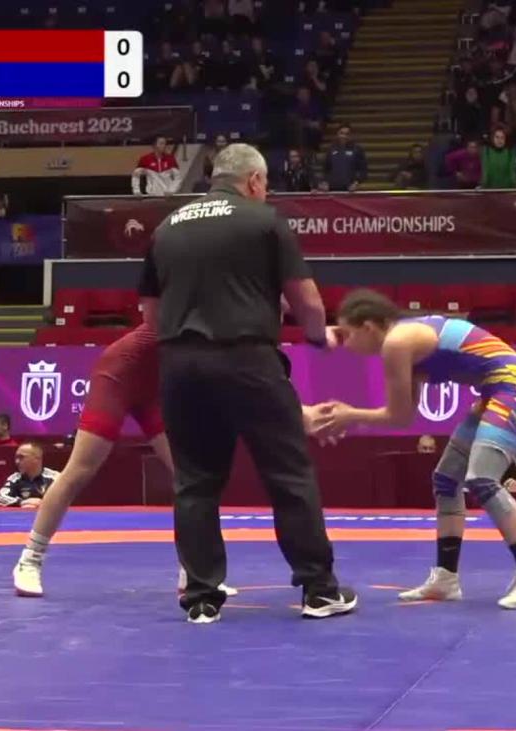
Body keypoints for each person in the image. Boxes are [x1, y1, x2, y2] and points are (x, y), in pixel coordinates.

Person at [138, 143, 357, 624]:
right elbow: (307, 300)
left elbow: (150, 313)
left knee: (194, 482)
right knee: (288, 474)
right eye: (266, 184)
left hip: (180, 365)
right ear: (254, 180)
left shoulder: (167, 226)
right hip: (246, 360)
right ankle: (319, 590)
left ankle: (200, 597)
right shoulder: (264, 221)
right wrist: (317, 336)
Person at [313, 289, 516, 610]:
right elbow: (403, 418)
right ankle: (445, 578)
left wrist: (350, 415)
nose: (346, 344)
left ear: (368, 327)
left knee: (482, 479)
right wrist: (350, 414)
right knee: (446, 480)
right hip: (496, 390)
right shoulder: (405, 339)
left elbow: (396, 415)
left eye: (348, 335)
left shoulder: (397, 343)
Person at [11, 323, 254, 599]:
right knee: (80, 469)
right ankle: (30, 560)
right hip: (120, 374)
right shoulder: (204, 308)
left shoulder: (227, 318)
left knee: (192, 476)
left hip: (158, 383)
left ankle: (195, 572)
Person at [0, 443, 60, 509]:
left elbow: (64, 499)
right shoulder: (15, 478)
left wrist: (43, 503)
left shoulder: (55, 477)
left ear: (37, 458)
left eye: (21, 457)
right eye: (16, 458)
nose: (17, 461)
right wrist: (21, 502)